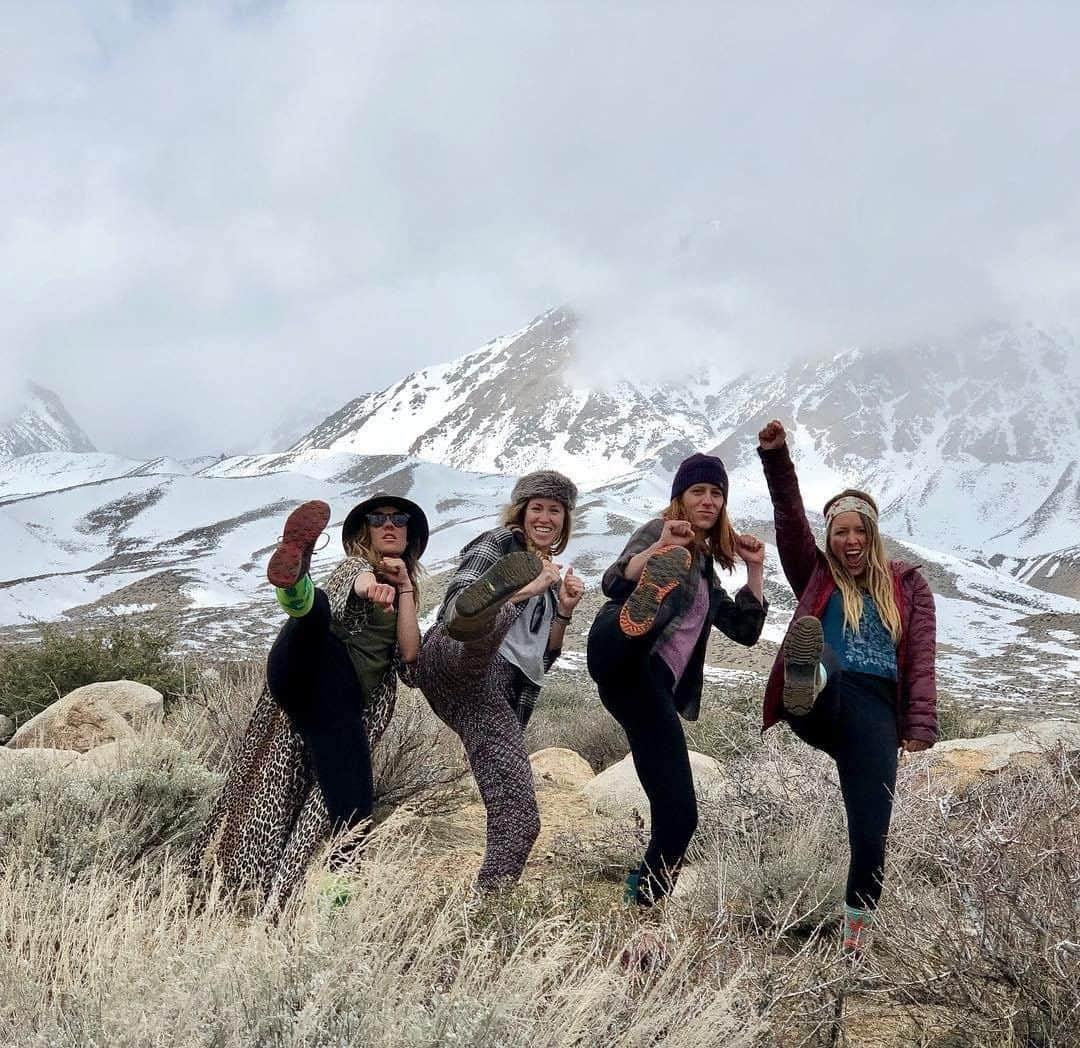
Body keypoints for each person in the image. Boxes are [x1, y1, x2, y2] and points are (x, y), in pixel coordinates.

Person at [191, 493, 426, 912]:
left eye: (398, 519)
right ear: (364, 532)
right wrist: (370, 584)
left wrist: (404, 587)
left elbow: (410, 656)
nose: (388, 525)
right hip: (306, 670)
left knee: (352, 809)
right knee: (315, 615)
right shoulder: (355, 566)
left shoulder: (407, 590)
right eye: (377, 519)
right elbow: (351, 583)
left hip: (331, 706)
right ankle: (297, 580)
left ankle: (333, 905)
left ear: (410, 534)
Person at [756, 418, 937, 954]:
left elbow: (922, 656)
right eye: (841, 531)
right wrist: (776, 457)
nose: (850, 539)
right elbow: (789, 521)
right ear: (830, 538)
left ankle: (855, 934)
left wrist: (919, 724)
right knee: (823, 657)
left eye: (860, 530)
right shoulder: (816, 574)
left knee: (871, 828)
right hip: (823, 698)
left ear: (873, 534)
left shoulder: (908, 585)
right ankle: (805, 676)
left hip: (877, 712)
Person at [586, 453, 768, 905]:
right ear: (680, 499)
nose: (707, 500)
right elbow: (612, 580)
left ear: (723, 503)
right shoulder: (659, 530)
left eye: (716, 493)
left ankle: (641, 898)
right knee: (628, 618)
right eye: (697, 492)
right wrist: (659, 549)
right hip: (617, 651)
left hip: (647, 689)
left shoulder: (705, 570)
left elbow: (745, 633)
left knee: (679, 814)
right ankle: (638, 616)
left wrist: (755, 569)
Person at [415, 470, 585, 891]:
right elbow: (454, 606)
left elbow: (544, 656)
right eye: (537, 509)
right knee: (471, 624)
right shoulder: (499, 544)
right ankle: (489, 612)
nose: (545, 518)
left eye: (555, 510)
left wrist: (563, 607)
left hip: (488, 695)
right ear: (521, 512)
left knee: (520, 817)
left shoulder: (549, 579)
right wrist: (524, 588)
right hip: (452, 655)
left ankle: (488, 903)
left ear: (565, 520)